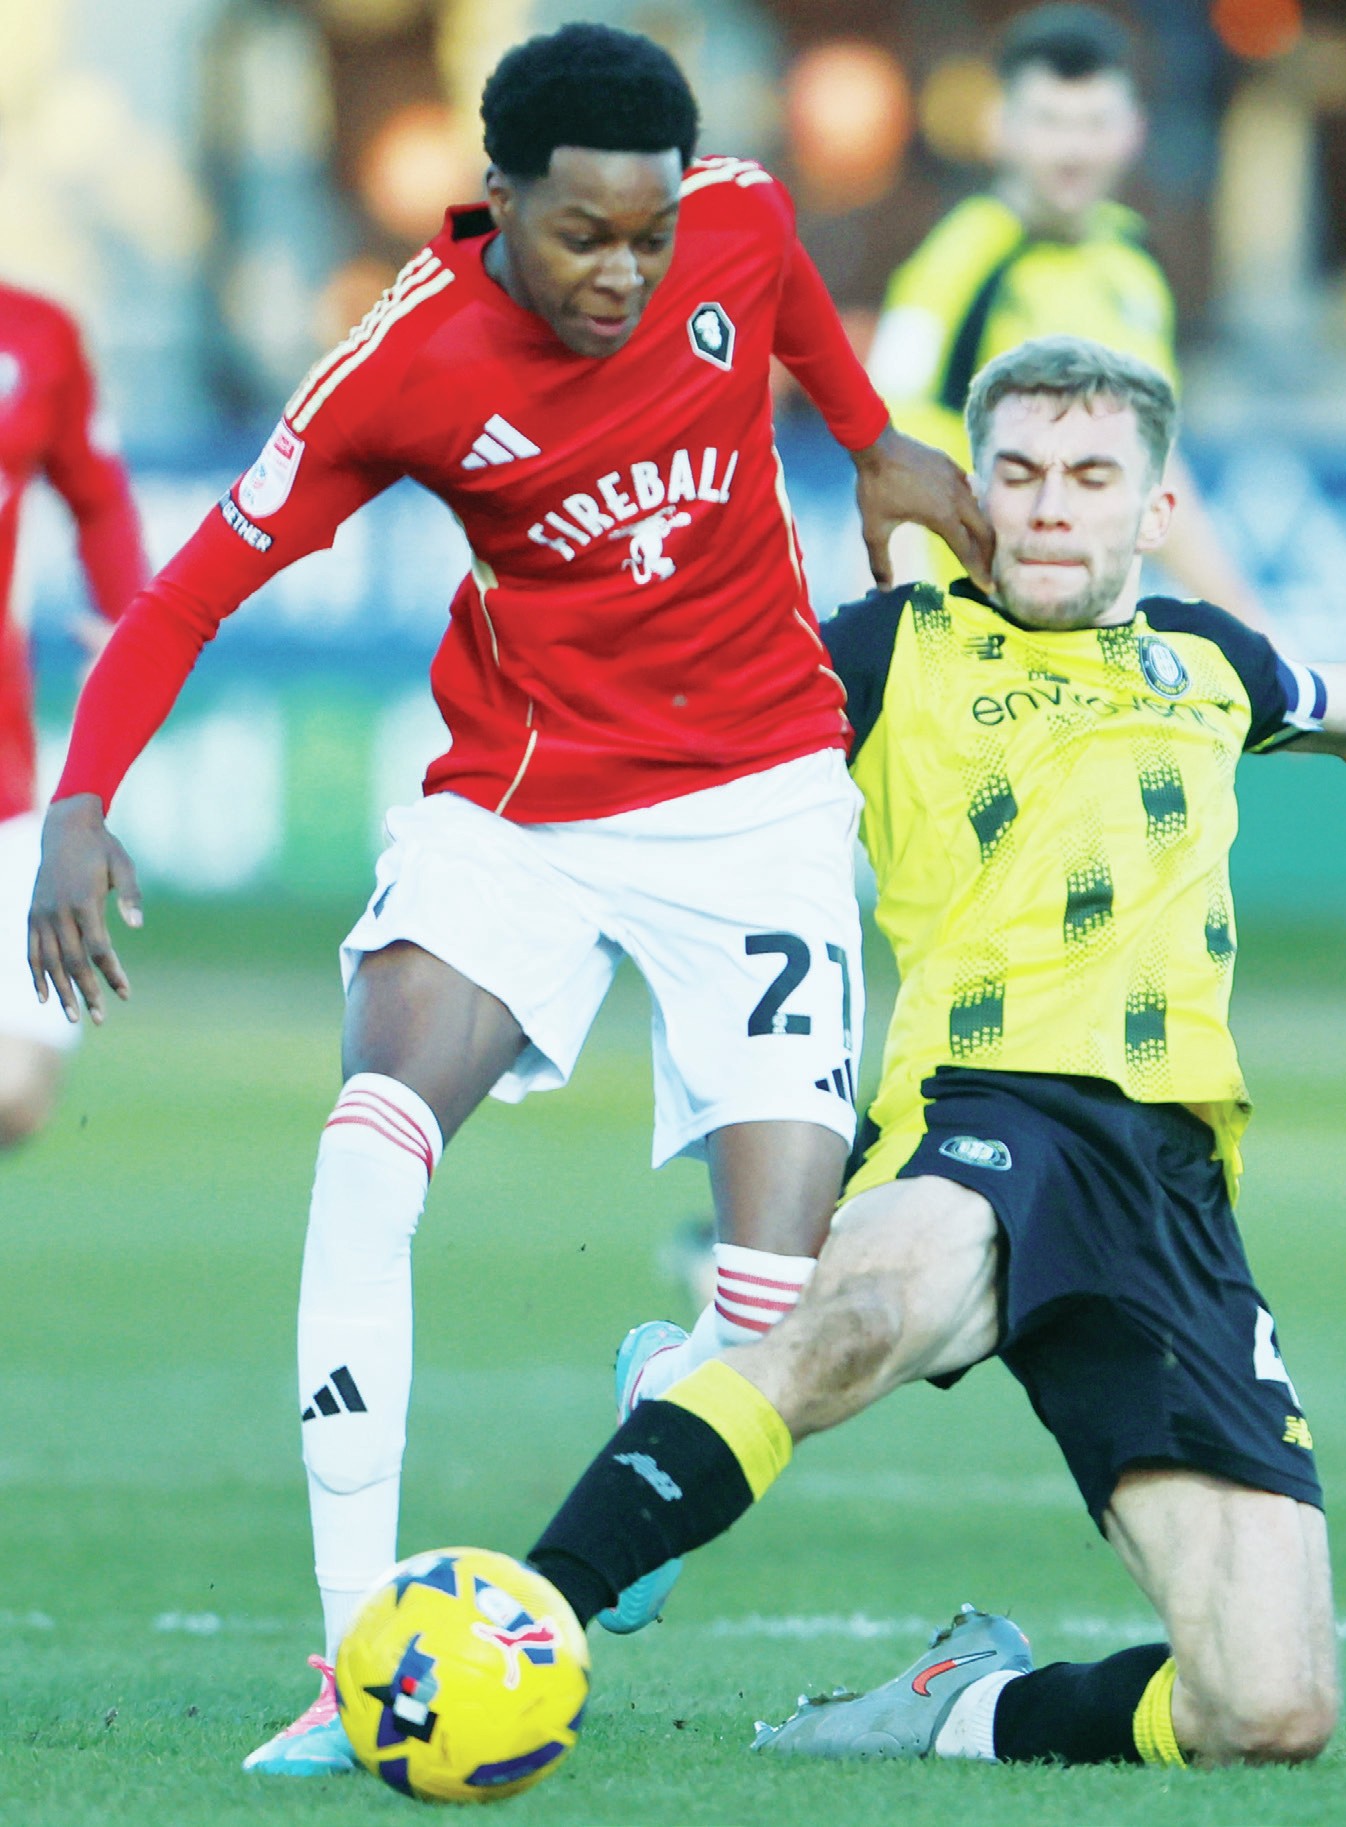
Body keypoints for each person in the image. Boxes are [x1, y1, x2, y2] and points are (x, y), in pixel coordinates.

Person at [25, 22, 990, 1776]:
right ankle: (353, 1658)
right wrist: (80, 801)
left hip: (764, 796)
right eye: (581, 236)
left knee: (772, 1306)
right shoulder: (406, 361)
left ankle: (670, 1388)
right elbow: (189, 589)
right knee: (364, 1148)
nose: (624, 273)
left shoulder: (739, 221)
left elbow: (784, 298)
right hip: (524, 811)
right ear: (500, 198)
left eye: (648, 236)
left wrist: (871, 439)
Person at [514, 335, 1346, 1770]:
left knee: (1267, 1708)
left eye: (1089, 475)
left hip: (1172, 1184)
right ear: (972, 493)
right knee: (859, 1322)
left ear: (1156, 507)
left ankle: (954, 1705)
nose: (1049, 504)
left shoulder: (1211, 660)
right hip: (985, 1108)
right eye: (1016, 471)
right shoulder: (890, 648)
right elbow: (668, 727)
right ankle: (518, 1617)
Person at [869, 3, 1268, 628]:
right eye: (1049, 121)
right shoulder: (955, 269)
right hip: (973, 637)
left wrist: (1251, 628)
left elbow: (1156, 467)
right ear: (999, 127)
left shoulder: (1134, 264)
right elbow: (887, 462)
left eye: (1094, 123)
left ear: (1133, 130)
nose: (1073, 149)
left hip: (1088, 634)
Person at [0, 280, 147, 1149]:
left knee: (16, 1093)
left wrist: (127, 625)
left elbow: (98, 497)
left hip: (4, 772)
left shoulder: (36, 336)